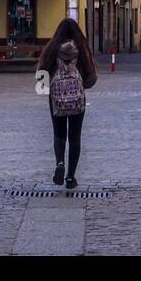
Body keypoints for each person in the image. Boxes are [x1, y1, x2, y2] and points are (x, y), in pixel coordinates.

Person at [37, 18, 98, 190]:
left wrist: (48, 91)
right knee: (75, 137)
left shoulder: (51, 48)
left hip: (56, 100)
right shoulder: (82, 48)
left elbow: (41, 72)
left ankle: (60, 163)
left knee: (59, 134)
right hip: (77, 100)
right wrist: (81, 86)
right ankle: (71, 177)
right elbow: (92, 75)